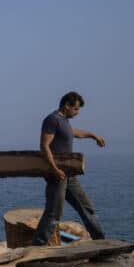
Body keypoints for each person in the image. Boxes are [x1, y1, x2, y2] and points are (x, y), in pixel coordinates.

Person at [32, 91, 107, 245]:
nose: (77, 112)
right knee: (54, 213)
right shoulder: (52, 120)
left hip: (69, 175)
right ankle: (38, 246)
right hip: (57, 174)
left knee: (87, 207)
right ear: (67, 105)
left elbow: (75, 133)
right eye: (76, 109)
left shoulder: (64, 121)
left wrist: (94, 136)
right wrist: (54, 169)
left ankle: (101, 242)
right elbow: (44, 146)